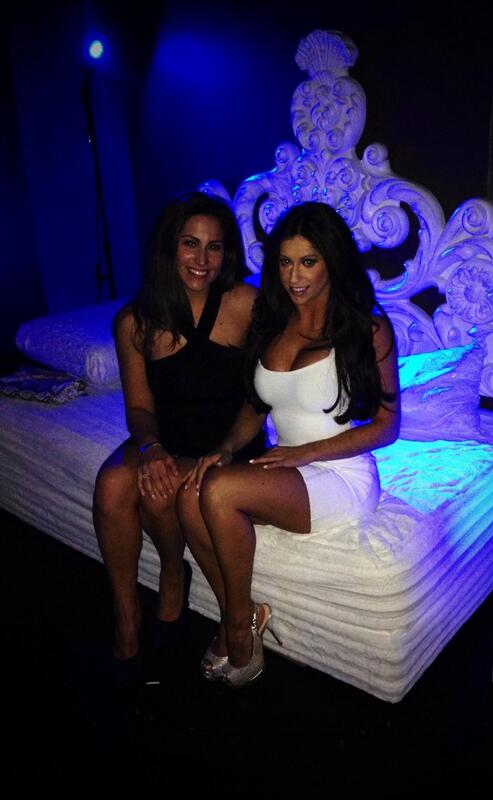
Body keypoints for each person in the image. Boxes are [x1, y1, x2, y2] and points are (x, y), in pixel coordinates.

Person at [177, 201, 400, 688]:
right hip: (290, 467)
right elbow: (255, 406)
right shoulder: (271, 323)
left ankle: (237, 627)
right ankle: (242, 612)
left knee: (218, 491)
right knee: (192, 492)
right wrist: (227, 448)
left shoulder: (367, 329)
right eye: (284, 262)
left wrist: (304, 454)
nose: (294, 276)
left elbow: (387, 427)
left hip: (342, 472)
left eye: (308, 262)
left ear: (331, 262)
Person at [93, 192, 265, 681]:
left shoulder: (246, 304)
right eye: (190, 243)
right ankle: (127, 616)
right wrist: (150, 447)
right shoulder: (135, 322)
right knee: (113, 483)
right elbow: (140, 407)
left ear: (227, 252)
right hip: (167, 439)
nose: (202, 259)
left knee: (160, 491)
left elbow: (259, 399)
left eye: (215, 246)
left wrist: (226, 448)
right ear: (168, 247)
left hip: (227, 446)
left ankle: (172, 575)